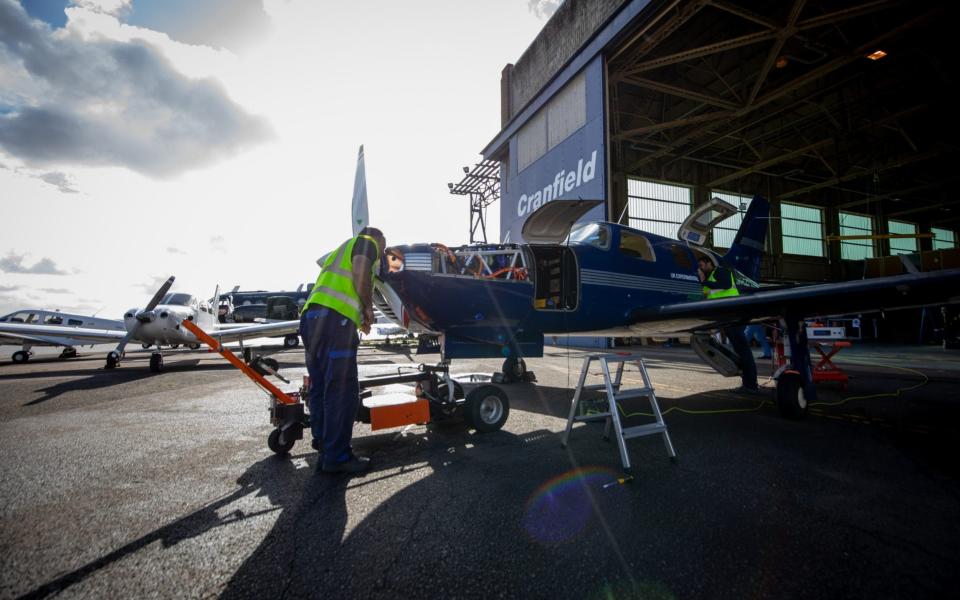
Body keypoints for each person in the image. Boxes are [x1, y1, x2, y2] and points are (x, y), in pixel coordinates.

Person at [300, 226, 386, 474]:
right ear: (377, 238)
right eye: (384, 244)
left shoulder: (338, 251)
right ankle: (337, 456)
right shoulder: (366, 242)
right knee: (341, 389)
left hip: (312, 318)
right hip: (334, 322)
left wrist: (359, 316)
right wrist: (369, 309)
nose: (382, 252)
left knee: (321, 387)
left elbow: (344, 284)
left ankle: (324, 445)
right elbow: (360, 271)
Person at [697, 255, 760, 393]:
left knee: (743, 350)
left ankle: (751, 385)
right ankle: (748, 384)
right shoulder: (709, 278)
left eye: (702, 265)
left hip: (734, 314)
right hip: (725, 318)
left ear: (709, 263)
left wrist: (704, 282)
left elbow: (725, 285)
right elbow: (707, 296)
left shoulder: (721, 271)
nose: (700, 269)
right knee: (740, 349)